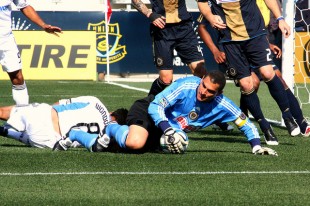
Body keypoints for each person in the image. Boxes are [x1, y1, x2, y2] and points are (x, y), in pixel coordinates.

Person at [196, 3, 310, 139]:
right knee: (251, 83)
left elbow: (259, 14)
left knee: (274, 75)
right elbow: (201, 26)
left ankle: (297, 119)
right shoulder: (210, 5)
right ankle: (250, 120)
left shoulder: (253, 6)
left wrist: (278, 21)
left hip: (257, 37)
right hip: (230, 45)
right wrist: (215, 49)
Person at [98, 71, 277, 156]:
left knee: (174, 142)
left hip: (164, 129)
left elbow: (246, 124)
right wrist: (168, 130)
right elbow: (155, 106)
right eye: (203, 85)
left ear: (218, 94)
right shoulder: (187, 85)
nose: (203, 91)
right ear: (201, 80)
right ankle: (111, 125)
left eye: (209, 91)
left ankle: (122, 119)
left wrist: (256, 146)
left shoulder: (223, 105)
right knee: (135, 143)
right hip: (148, 110)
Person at [131, 0, 207, 96]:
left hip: (184, 27)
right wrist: (150, 14)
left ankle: (203, 108)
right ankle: (147, 106)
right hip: (162, 29)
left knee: (200, 71)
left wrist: (211, 16)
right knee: (166, 79)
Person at [0, 96, 128, 151]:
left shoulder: (96, 102)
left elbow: (61, 103)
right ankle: (7, 132)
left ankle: (10, 130)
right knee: (30, 135)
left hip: (44, 117)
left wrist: (40, 110)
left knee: (2, 112)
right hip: (49, 141)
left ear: (113, 113)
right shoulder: (105, 139)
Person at [0, 0, 62, 105]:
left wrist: (43, 25)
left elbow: (24, 6)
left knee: (18, 78)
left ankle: (23, 114)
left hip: (6, 40)